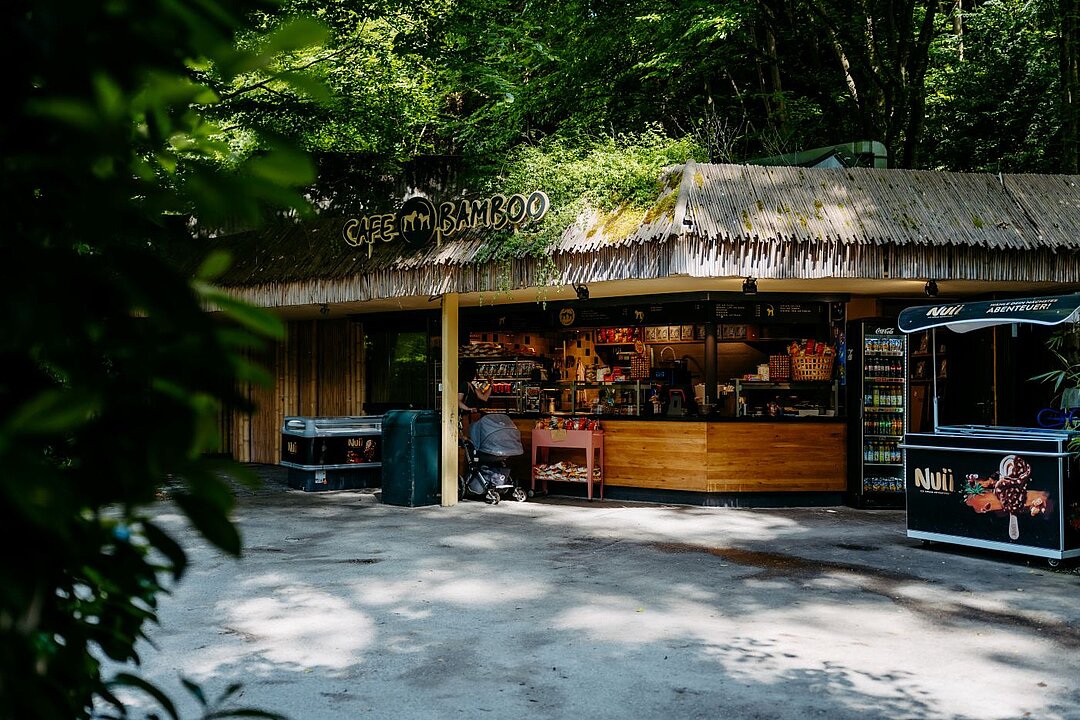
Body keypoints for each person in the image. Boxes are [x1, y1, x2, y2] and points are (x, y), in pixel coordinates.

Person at [457, 358, 491, 436]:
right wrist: (468, 409)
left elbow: (484, 397)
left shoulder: (470, 385)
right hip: (466, 417)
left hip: (470, 417)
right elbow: (458, 401)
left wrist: (490, 385)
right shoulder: (465, 385)